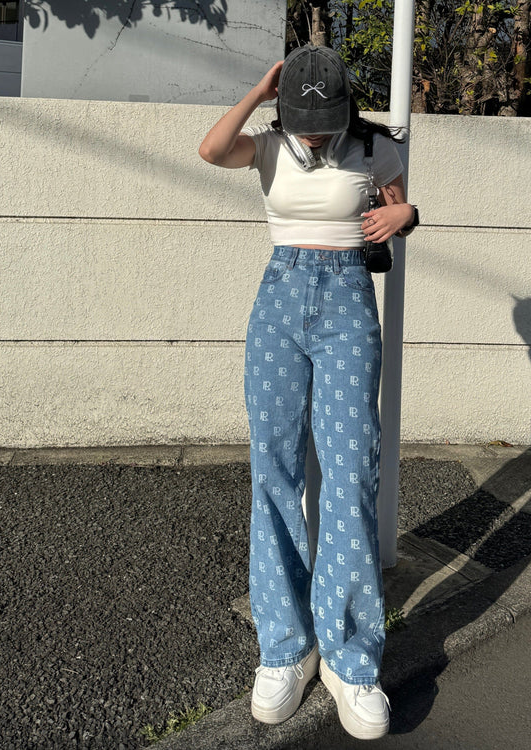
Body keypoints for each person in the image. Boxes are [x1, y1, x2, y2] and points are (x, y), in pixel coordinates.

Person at [199, 45, 417, 741]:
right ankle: (286, 648)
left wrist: (405, 215)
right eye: (303, 121)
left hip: (349, 300)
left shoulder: (375, 150)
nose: (314, 135)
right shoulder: (268, 147)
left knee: (351, 471)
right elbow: (211, 150)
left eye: (324, 123)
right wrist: (260, 90)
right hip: (279, 299)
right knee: (274, 470)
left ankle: (350, 658)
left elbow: (397, 206)